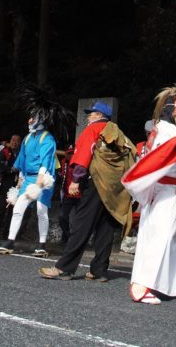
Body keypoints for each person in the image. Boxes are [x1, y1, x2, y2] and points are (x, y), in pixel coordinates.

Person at [126, 87, 176, 304]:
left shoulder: (173, 129)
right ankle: (142, 285)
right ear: (170, 108)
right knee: (159, 237)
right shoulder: (166, 130)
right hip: (164, 191)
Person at [39, 101, 135, 282]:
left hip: (96, 183)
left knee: (82, 224)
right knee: (106, 227)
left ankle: (64, 268)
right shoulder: (118, 133)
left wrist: (76, 179)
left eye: (91, 113)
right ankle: (99, 270)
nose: (88, 116)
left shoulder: (93, 129)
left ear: (99, 116)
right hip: (116, 187)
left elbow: (84, 154)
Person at [0, 111, 58, 256]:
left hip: (43, 178)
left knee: (41, 211)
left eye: (33, 118)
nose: (29, 120)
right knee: (18, 208)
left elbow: (46, 159)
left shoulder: (47, 138)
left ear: (40, 119)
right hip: (28, 178)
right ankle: (10, 241)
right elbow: (22, 160)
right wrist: (20, 179)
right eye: (30, 117)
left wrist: (40, 178)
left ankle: (42, 245)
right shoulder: (27, 138)